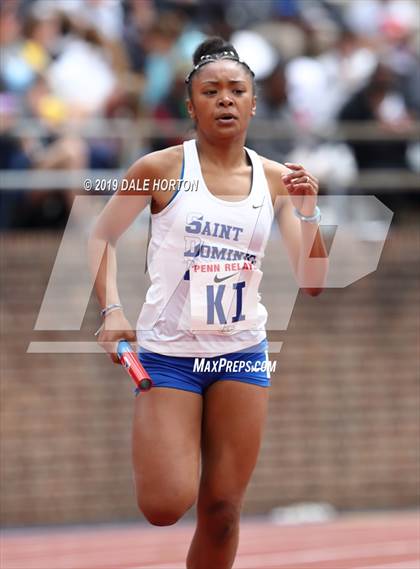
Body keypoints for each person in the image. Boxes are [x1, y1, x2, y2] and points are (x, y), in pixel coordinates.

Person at [88, 37, 328, 569]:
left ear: (253, 103)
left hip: (241, 353)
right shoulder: (160, 168)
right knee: (164, 504)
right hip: (170, 356)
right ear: (190, 104)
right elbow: (100, 235)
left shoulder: (275, 180)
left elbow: (312, 281)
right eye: (211, 91)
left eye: (237, 90)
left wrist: (309, 213)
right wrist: (112, 309)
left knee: (222, 510)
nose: (225, 99)